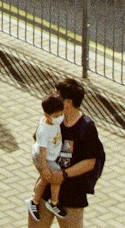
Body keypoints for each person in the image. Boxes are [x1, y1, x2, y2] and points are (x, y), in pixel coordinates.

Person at [27, 77, 102, 227]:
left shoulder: (87, 128)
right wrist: (44, 170)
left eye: (57, 94)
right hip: (46, 191)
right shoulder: (50, 119)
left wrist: (63, 175)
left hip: (73, 197)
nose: (52, 96)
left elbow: (90, 162)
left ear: (68, 102)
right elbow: (38, 147)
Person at [27, 93, 66, 222]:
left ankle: (34, 201)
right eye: (56, 116)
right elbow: (43, 151)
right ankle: (53, 202)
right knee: (56, 177)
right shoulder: (44, 130)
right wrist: (44, 168)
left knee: (45, 179)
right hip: (43, 157)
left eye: (61, 114)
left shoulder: (51, 121)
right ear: (47, 115)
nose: (60, 117)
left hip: (49, 155)